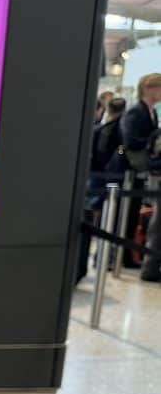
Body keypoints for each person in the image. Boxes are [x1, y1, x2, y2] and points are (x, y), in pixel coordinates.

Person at [78, 97, 128, 282]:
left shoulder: (103, 128)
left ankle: (101, 256)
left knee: (96, 214)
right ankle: (102, 257)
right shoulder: (115, 130)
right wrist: (122, 154)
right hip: (110, 179)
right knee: (106, 214)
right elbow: (117, 153)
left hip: (98, 178)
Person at [124, 73, 161, 281]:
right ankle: (120, 256)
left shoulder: (151, 112)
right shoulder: (136, 112)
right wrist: (152, 141)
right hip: (131, 171)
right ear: (149, 88)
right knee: (127, 214)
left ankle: (128, 256)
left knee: (133, 214)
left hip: (143, 171)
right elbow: (128, 142)